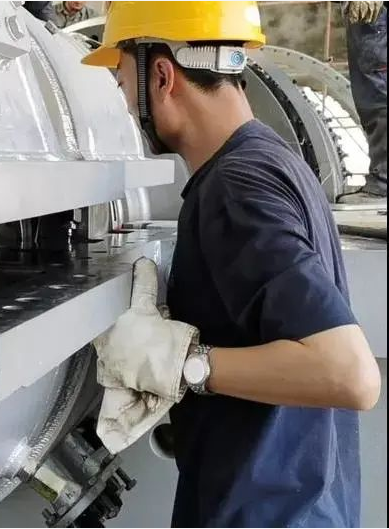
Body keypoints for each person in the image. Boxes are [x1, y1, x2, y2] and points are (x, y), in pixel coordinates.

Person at [83, 2, 381, 527]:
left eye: (123, 81)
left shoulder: (235, 188)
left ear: (161, 76)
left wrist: (183, 364)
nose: (126, 104)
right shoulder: (273, 158)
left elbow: (348, 374)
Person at [338, 1, 387, 204]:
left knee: (378, 99)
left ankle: (383, 184)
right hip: (368, 20)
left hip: (375, 19)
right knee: (373, 99)